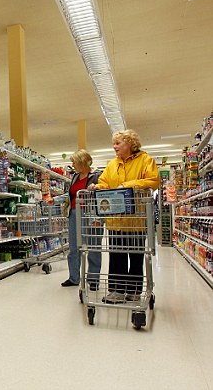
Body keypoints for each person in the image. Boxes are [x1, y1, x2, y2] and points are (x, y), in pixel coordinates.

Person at [88, 129, 160, 303]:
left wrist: (129, 185)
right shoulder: (112, 164)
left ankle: (134, 291)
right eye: (114, 143)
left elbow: (154, 180)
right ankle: (117, 291)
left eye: (118, 143)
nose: (114, 146)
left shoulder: (145, 160)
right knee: (116, 255)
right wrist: (96, 187)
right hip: (116, 220)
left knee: (135, 256)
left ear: (130, 143)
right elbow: (104, 182)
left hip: (136, 220)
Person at [61, 149, 102, 289]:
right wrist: (55, 201)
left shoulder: (96, 176)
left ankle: (93, 279)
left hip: (91, 215)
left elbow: (101, 198)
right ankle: (74, 278)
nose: (72, 165)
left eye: (74, 162)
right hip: (74, 213)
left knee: (94, 246)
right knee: (73, 247)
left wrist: (99, 218)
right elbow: (70, 195)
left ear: (82, 162)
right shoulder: (74, 177)